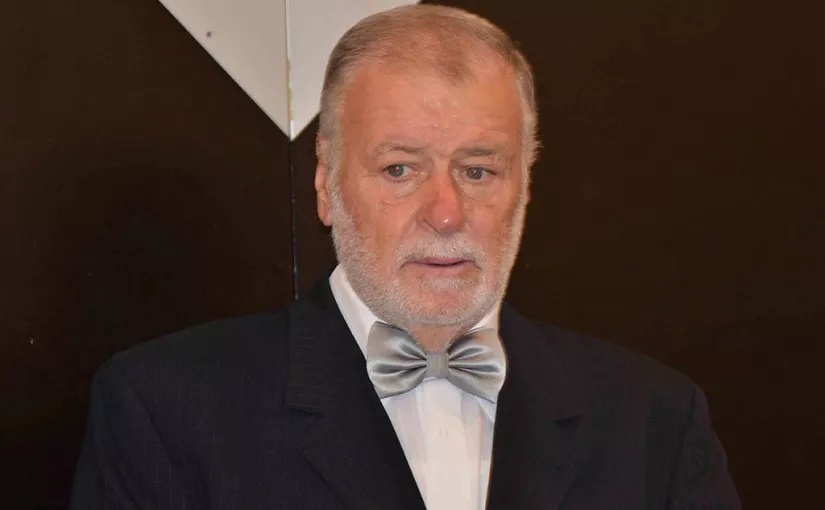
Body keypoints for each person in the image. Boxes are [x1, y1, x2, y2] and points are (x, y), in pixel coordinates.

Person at [70, 5, 739, 510]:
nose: (445, 213)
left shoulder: (653, 419)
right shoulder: (167, 410)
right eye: (399, 168)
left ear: (525, 188)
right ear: (326, 183)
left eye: (478, 170)